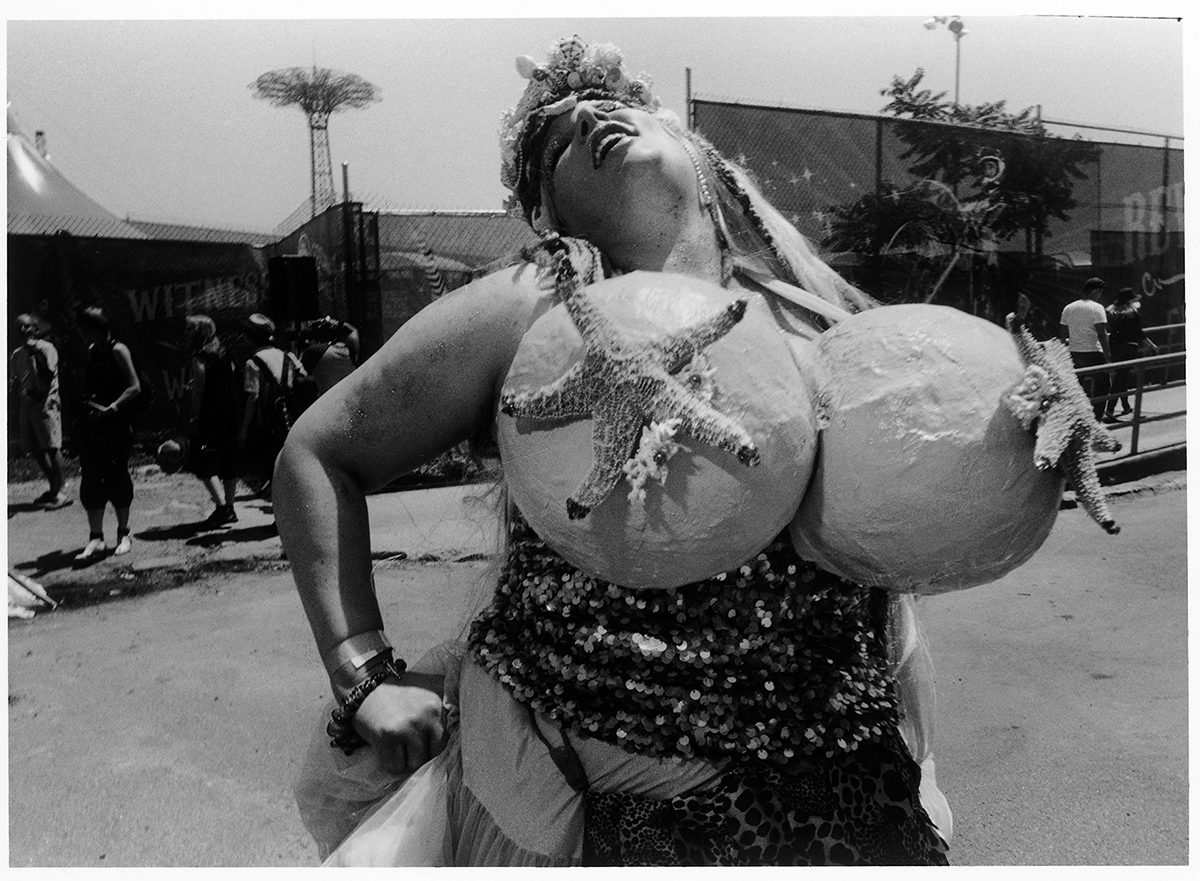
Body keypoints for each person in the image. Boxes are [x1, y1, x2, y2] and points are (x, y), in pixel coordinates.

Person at [277, 36, 949, 866]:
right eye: (555, 143)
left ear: (696, 154)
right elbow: (316, 452)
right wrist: (364, 676)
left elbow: (909, 515)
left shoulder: (811, 320)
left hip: (845, 792)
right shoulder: (544, 302)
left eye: (615, 102)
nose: (591, 117)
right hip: (594, 805)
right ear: (551, 211)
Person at [72, 306, 141, 561]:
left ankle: (124, 534)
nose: (79, 334)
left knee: (118, 477)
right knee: (90, 478)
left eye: (81, 328)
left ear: (93, 327)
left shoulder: (118, 349)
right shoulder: (92, 351)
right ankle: (96, 538)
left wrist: (113, 407)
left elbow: (135, 387)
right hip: (94, 425)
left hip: (116, 425)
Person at [239, 312, 307, 495]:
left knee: (274, 465)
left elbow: (253, 397)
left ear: (252, 338)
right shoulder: (289, 356)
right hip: (293, 415)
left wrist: (245, 427)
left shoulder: (252, 362)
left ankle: (282, 514)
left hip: (270, 420)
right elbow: (304, 378)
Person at [183, 315, 241, 527]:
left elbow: (198, 391)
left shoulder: (199, 357)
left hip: (209, 414)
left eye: (190, 330)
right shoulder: (225, 353)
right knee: (229, 461)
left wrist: (194, 417)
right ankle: (231, 507)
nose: (187, 333)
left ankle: (221, 507)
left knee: (204, 461)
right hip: (229, 412)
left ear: (198, 333)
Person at [9, 313, 68, 508]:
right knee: (34, 449)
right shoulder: (16, 355)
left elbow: (47, 375)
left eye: (27, 326)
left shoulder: (46, 348)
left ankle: (62, 492)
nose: (23, 330)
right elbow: (15, 382)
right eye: (19, 326)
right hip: (27, 407)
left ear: (35, 329)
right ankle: (53, 488)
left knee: (52, 447)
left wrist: (34, 351)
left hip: (45, 404)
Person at [1059, 277, 1114, 422]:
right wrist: (1108, 358)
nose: (1100, 296)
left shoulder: (1068, 308)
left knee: (1074, 388)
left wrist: (1063, 355)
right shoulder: (1097, 308)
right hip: (1094, 354)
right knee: (1103, 385)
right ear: (1095, 292)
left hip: (1074, 354)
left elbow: (1063, 335)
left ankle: (1074, 418)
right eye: (1100, 293)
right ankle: (1096, 419)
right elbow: (1102, 334)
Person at [1104, 286, 1158, 419]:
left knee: (1120, 376)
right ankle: (1110, 409)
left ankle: (1126, 407)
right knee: (1121, 378)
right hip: (1129, 347)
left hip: (1114, 346)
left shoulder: (1110, 311)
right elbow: (1139, 333)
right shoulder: (1132, 313)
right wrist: (1152, 346)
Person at [300, 317, 359, 398]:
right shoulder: (348, 352)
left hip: (328, 403)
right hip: (351, 398)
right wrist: (337, 323)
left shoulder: (313, 352)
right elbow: (353, 331)